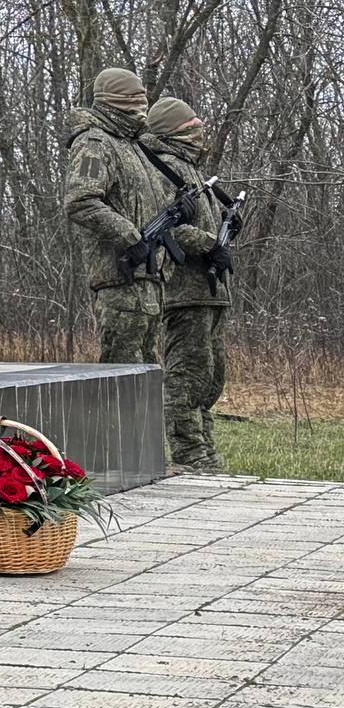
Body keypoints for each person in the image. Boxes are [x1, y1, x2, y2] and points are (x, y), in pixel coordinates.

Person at [141, 96, 236, 471]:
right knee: (185, 378)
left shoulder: (193, 170)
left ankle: (205, 454)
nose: (200, 130)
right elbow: (168, 226)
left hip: (210, 292)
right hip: (184, 290)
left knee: (210, 379)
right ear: (177, 131)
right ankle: (189, 455)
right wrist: (210, 245)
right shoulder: (164, 168)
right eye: (191, 125)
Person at [65, 65, 178, 372]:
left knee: (148, 377)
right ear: (117, 101)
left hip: (149, 278)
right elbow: (81, 200)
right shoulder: (95, 143)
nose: (141, 107)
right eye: (135, 100)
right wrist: (131, 237)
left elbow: (144, 202)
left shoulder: (134, 146)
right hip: (121, 278)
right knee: (122, 378)